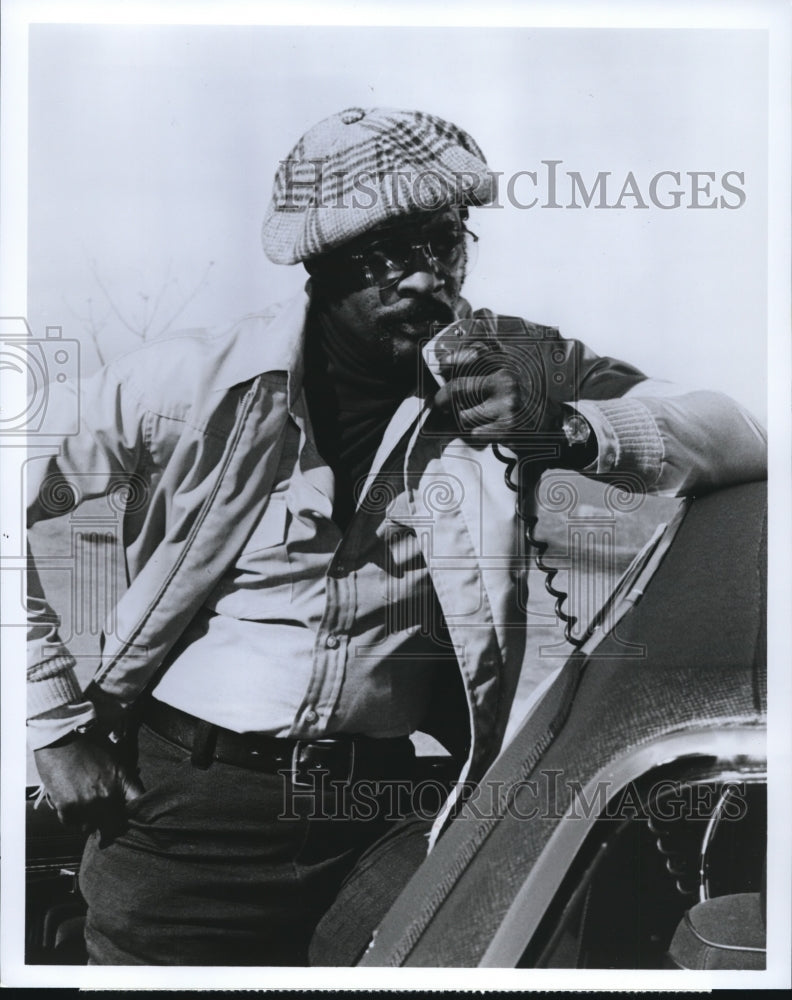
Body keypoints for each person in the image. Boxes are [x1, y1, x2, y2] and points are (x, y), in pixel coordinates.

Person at [26, 107, 767, 966]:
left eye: (445, 243)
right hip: (185, 807)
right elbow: (33, 531)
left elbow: (740, 429)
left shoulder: (512, 365)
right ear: (322, 266)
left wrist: (565, 425)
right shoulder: (185, 384)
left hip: (379, 814)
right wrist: (53, 724)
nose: (424, 279)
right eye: (386, 255)